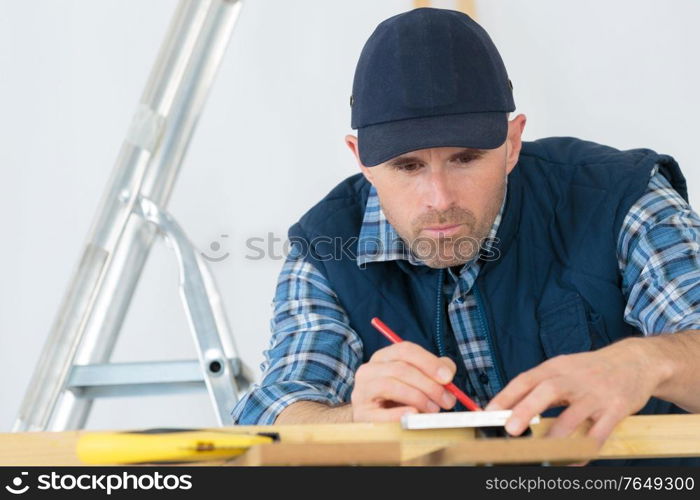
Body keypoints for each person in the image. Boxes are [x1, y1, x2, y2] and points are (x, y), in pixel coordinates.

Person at [232, 8, 700, 465]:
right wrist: (355, 421)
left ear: (512, 143)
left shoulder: (622, 197)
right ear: (362, 161)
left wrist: (646, 363)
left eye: (466, 158)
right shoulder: (324, 247)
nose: (439, 198)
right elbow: (272, 417)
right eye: (407, 166)